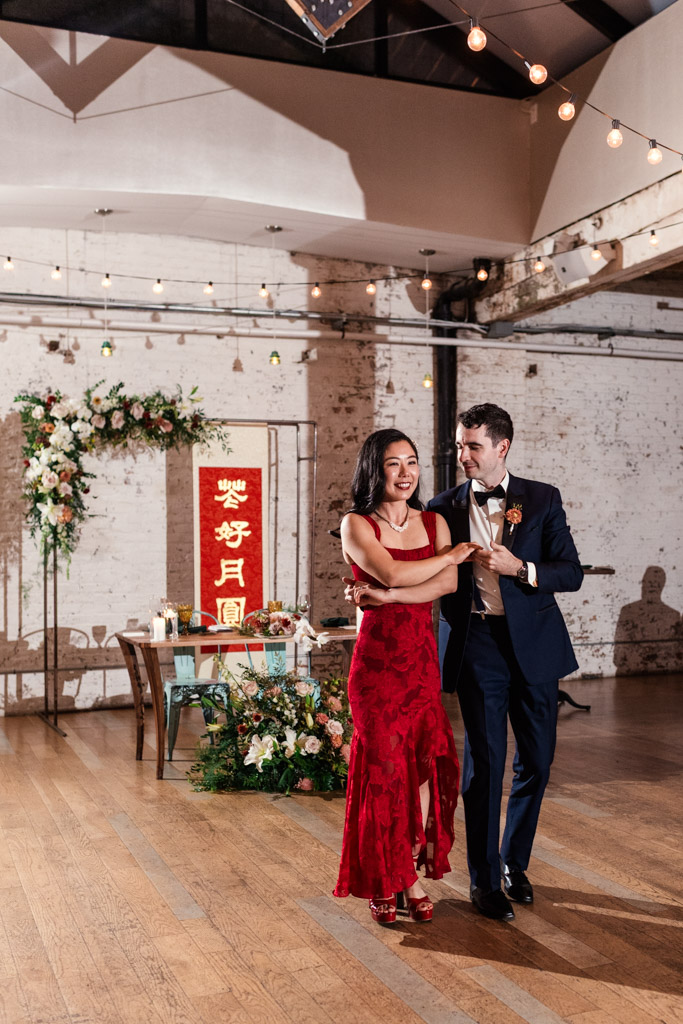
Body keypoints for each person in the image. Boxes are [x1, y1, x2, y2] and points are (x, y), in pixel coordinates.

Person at [427, 403, 583, 920]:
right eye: (459, 444)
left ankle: (516, 864)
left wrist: (523, 568)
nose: (462, 454)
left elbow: (571, 572)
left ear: (502, 448)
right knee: (485, 765)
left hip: (535, 647)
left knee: (536, 762)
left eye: (472, 445)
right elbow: (419, 566)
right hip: (477, 645)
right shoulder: (442, 506)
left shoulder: (542, 499)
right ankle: (484, 881)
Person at [333, 428, 479, 925]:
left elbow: (446, 583)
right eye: (394, 463)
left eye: (412, 462)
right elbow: (393, 572)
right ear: (375, 469)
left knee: (418, 773)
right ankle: (393, 880)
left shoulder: (434, 520)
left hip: (420, 664)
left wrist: (391, 596)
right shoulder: (355, 524)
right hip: (375, 671)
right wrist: (440, 562)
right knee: (383, 775)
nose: (405, 472)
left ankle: (405, 870)